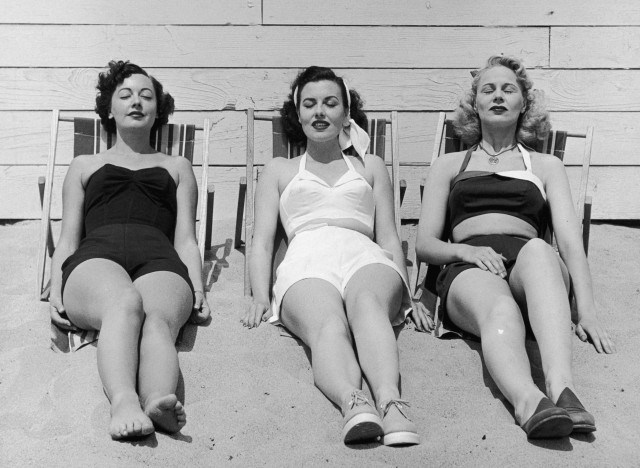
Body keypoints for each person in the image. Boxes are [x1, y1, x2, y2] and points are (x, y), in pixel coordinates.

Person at [414, 55, 616, 438]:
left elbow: (570, 244)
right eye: (487, 89)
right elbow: (425, 244)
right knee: (500, 308)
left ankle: (562, 389)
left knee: (541, 250)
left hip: (530, 269)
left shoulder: (544, 166)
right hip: (470, 267)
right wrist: (465, 252)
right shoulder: (449, 164)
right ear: (475, 103)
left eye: (509, 89)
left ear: (524, 103)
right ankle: (529, 402)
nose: (498, 96)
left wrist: (586, 312)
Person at [242, 66, 419, 446]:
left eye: (330, 103)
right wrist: (259, 295)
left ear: (345, 112)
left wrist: (410, 292)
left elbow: (388, 233)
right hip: (306, 257)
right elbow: (261, 240)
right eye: (310, 104)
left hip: (364, 254)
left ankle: (390, 401)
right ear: (298, 113)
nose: (319, 112)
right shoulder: (279, 170)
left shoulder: (369, 166)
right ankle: (353, 402)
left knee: (369, 306)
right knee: (327, 325)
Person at [48, 60, 210, 440]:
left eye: (146, 96)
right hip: (95, 257)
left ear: (158, 110)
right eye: (125, 95)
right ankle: (123, 400)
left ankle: (158, 399)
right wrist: (56, 286)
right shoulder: (85, 164)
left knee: (156, 320)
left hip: (159, 258)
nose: (136, 102)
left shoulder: (177, 165)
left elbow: (186, 238)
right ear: (110, 109)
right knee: (123, 302)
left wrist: (198, 287)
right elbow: (67, 238)